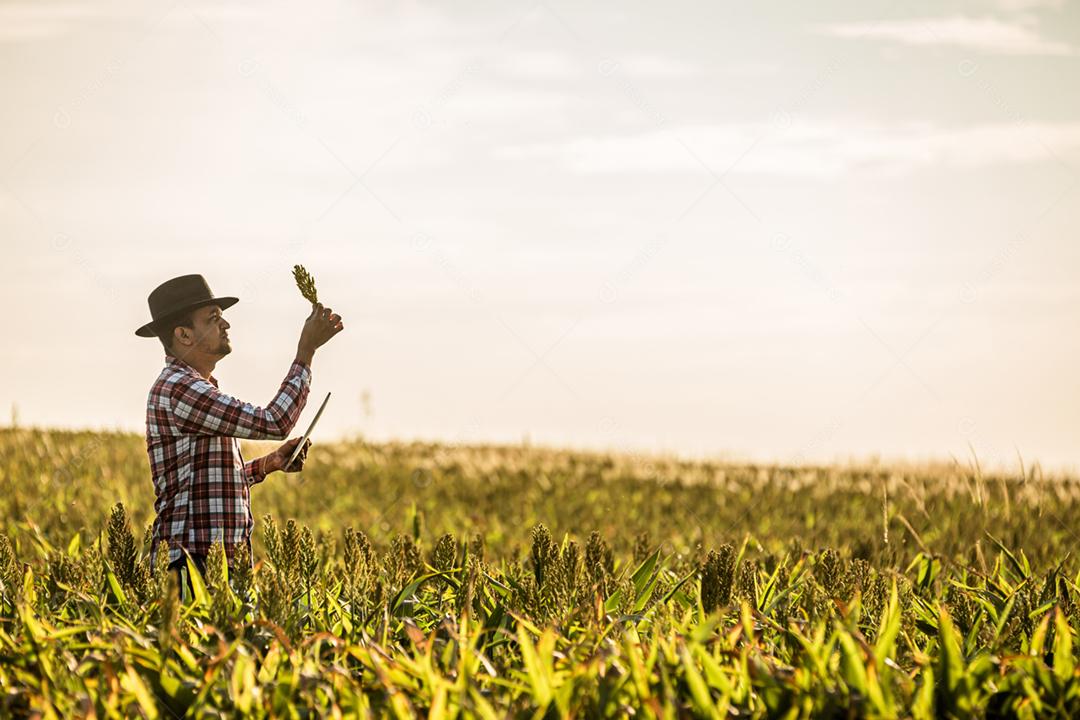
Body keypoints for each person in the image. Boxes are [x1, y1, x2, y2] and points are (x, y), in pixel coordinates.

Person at [135, 274, 343, 599]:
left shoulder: (194, 388)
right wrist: (306, 352)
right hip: (193, 566)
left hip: (213, 564)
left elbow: (203, 484)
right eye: (213, 318)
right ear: (184, 335)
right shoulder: (181, 388)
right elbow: (275, 422)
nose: (226, 324)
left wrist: (269, 464)